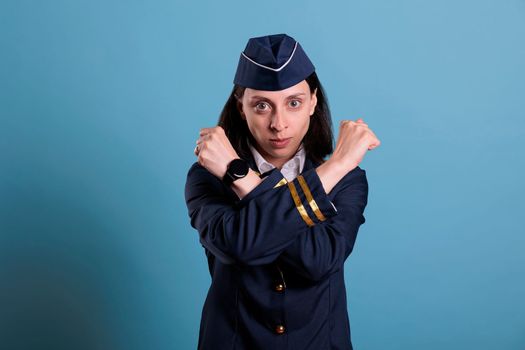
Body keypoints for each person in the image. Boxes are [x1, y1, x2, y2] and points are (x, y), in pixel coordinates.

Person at [184, 33, 380, 350]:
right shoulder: (206, 177)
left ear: (313, 101)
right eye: (261, 106)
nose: (279, 124)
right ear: (240, 107)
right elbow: (239, 246)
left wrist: (243, 179)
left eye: (293, 103)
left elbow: (320, 259)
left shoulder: (347, 180)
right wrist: (338, 163)